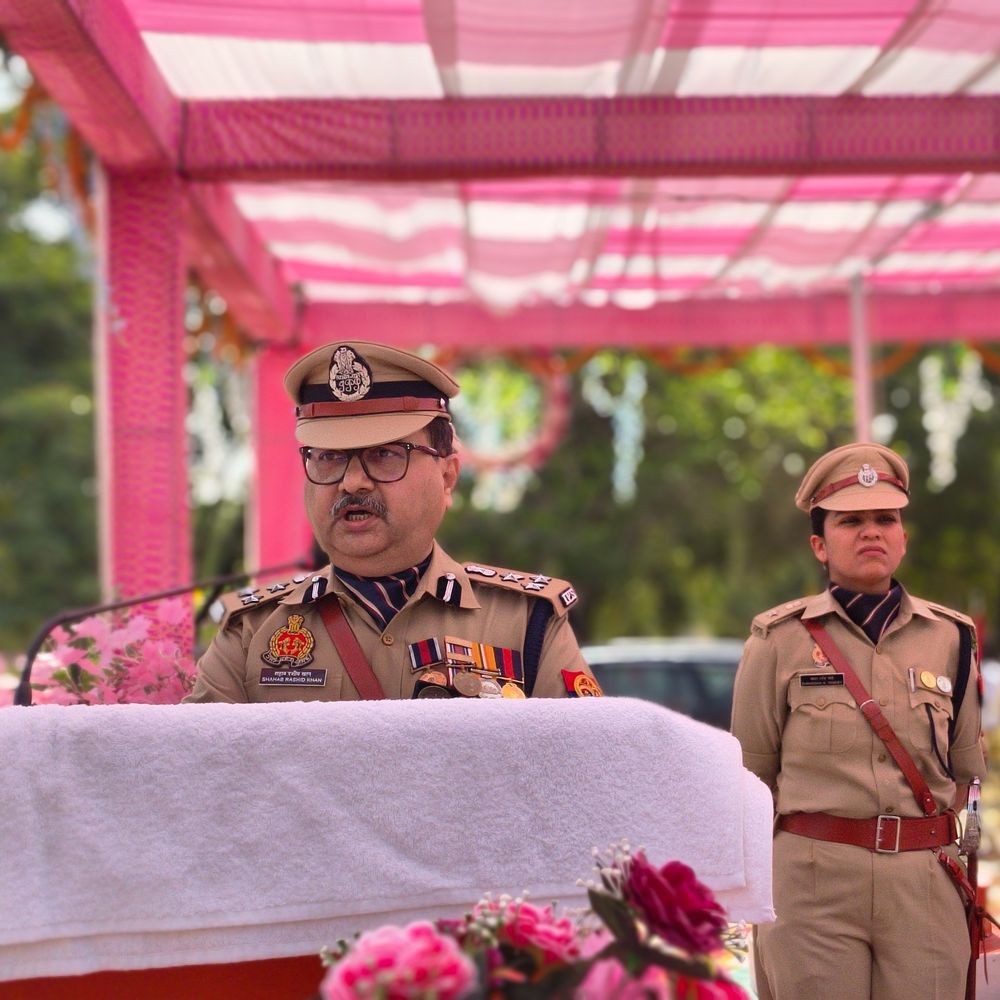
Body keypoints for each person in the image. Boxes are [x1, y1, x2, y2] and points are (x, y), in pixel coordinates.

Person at [185, 340, 601, 703]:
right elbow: (196, 764)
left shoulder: (526, 624)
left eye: (385, 454)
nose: (352, 481)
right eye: (329, 457)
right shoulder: (251, 632)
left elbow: (584, 761)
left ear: (447, 477)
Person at [730, 442, 986, 1000]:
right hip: (813, 884)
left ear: (903, 537)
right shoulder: (776, 641)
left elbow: (968, 774)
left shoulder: (951, 638)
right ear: (820, 545)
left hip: (924, 883)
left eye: (885, 519)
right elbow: (750, 781)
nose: (872, 531)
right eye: (851, 521)